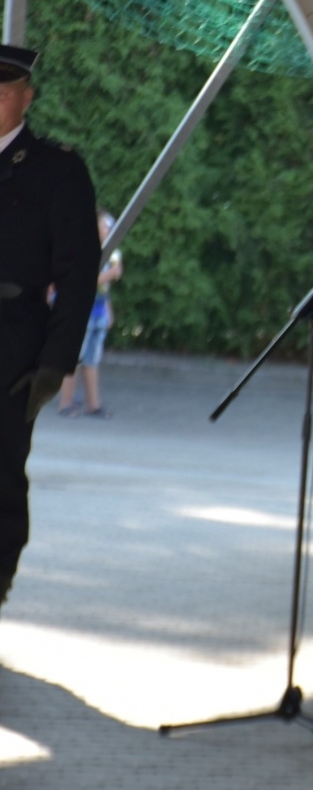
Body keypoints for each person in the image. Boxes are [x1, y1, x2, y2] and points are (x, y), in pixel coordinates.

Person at [0, 44, 100, 609]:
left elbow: (79, 274)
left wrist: (55, 361)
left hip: (11, 340)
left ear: (26, 98)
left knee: (1, 478)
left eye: (3, 92)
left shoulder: (57, 170)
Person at [58, 209, 123, 418]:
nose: (109, 230)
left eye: (111, 227)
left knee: (92, 360)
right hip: (80, 313)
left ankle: (93, 405)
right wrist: (110, 274)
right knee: (73, 359)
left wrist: (108, 311)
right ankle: (65, 403)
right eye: (105, 226)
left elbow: (104, 290)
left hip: (97, 313)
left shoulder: (107, 254)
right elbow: (81, 283)